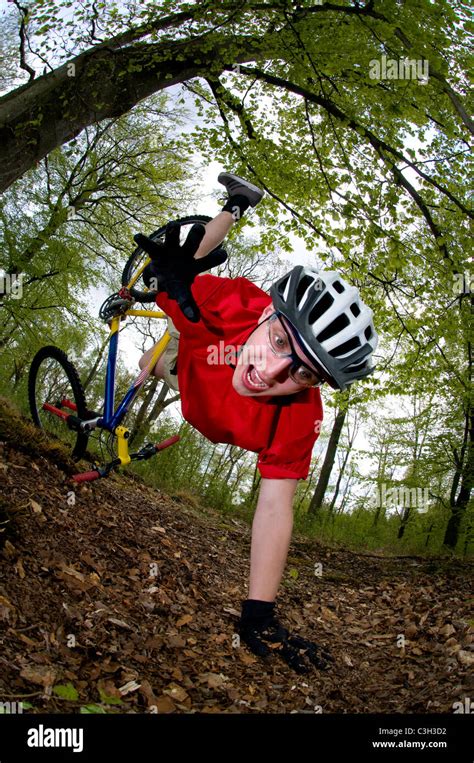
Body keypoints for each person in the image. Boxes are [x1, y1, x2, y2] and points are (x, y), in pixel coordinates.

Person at [137, 173, 378, 674]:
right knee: (152, 354)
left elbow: (274, 508)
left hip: (209, 401)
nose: (270, 373)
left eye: (302, 373)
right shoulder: (236, 302)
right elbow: (180, 277)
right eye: (281, 342)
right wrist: (168, 275)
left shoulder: (300, 416)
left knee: (183, 369)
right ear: (268, 311)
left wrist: (258, 613)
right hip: (199, 359)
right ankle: (237, 202)